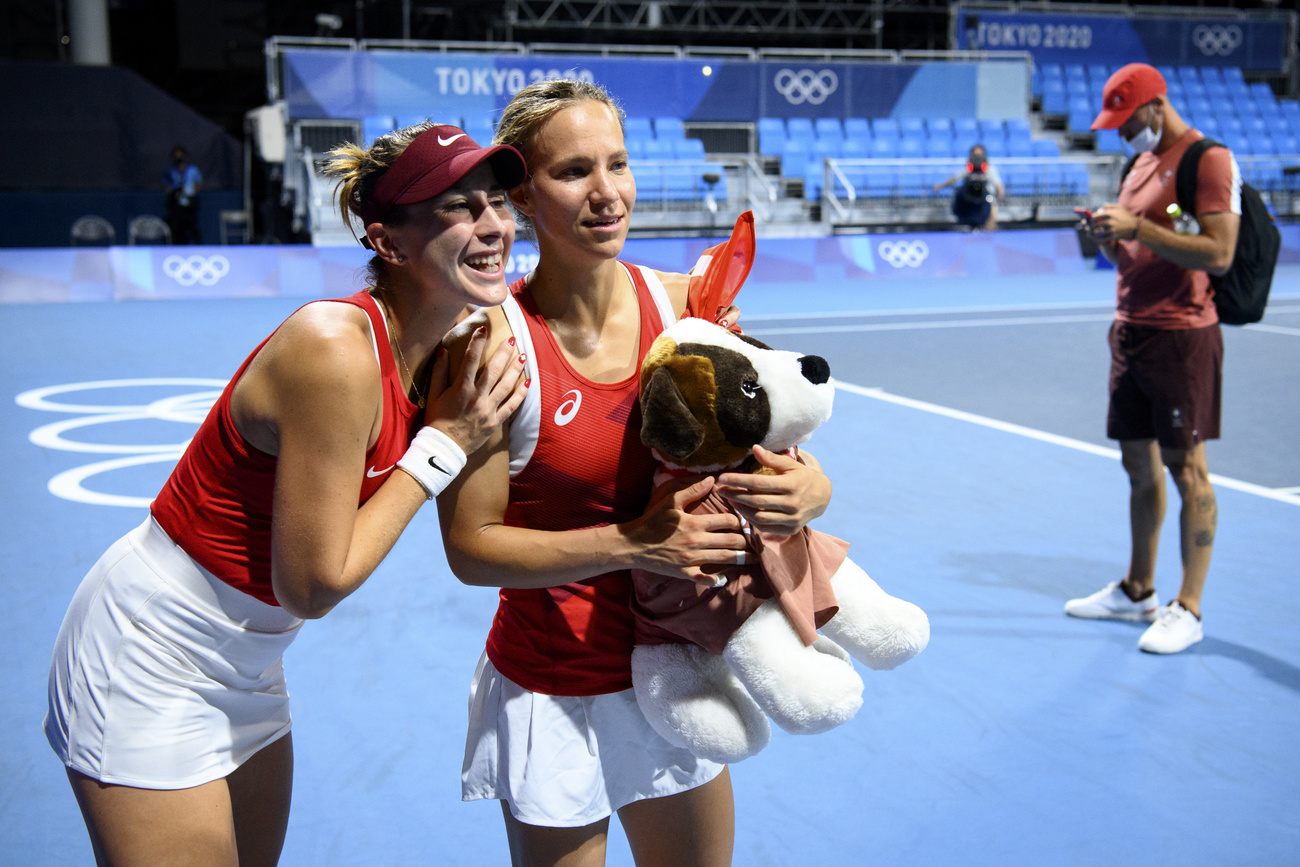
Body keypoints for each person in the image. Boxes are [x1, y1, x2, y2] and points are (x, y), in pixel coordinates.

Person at [44, 123, 529, 866]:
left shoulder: (449, 344)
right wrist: (444, 446)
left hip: (250, 665)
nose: (493, 223)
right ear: (389, 244)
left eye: (497, 201)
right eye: (458, 207)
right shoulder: (333, 347)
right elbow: (311, 583)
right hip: (148, 654)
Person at [437, 79, 835, 867]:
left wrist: (811, 488)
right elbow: (470, 548)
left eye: (617, 164)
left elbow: (763, 441)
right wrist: (632, 541)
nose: (607, 192)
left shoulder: (691, 308)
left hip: (681, 675)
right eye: (574, 171)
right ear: (521, 194)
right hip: (554, 686)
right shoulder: (491, 345)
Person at [1065, 63, 1241, 654]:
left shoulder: (1207, 160)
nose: (1119, 133)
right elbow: (1137, 257)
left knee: (1187, 470)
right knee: (1138, 467)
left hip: (1182, 338)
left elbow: (1219, 253)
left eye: (1126, 120)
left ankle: (1187, 606)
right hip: (1131, 332)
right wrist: (1113, 240)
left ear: (1155, 106)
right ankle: (1139, 589)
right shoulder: (1138, 164)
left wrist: (1137, 224)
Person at [932, 143, 1003, 231]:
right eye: (975, 154)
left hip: (987, 197)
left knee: (993, 211)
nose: (977, 156)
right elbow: (955, 178)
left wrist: (1000, 193)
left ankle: (988, 235)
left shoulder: (989, 169)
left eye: (979, 154)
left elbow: (998, 184)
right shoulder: (968, 168)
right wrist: (940, 186)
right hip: (969, 197)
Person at [163, 146, 204, 244]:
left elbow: (199, 183)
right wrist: (173, 192)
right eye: (176, 155)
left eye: (180, 155)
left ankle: (199, 247)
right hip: (176, 203)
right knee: (175, 227)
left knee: (193, 227)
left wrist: (191, 191)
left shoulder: (192, 170)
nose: (179, 157)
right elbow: (165, 184)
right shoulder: (171, 171)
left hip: (190, 203)